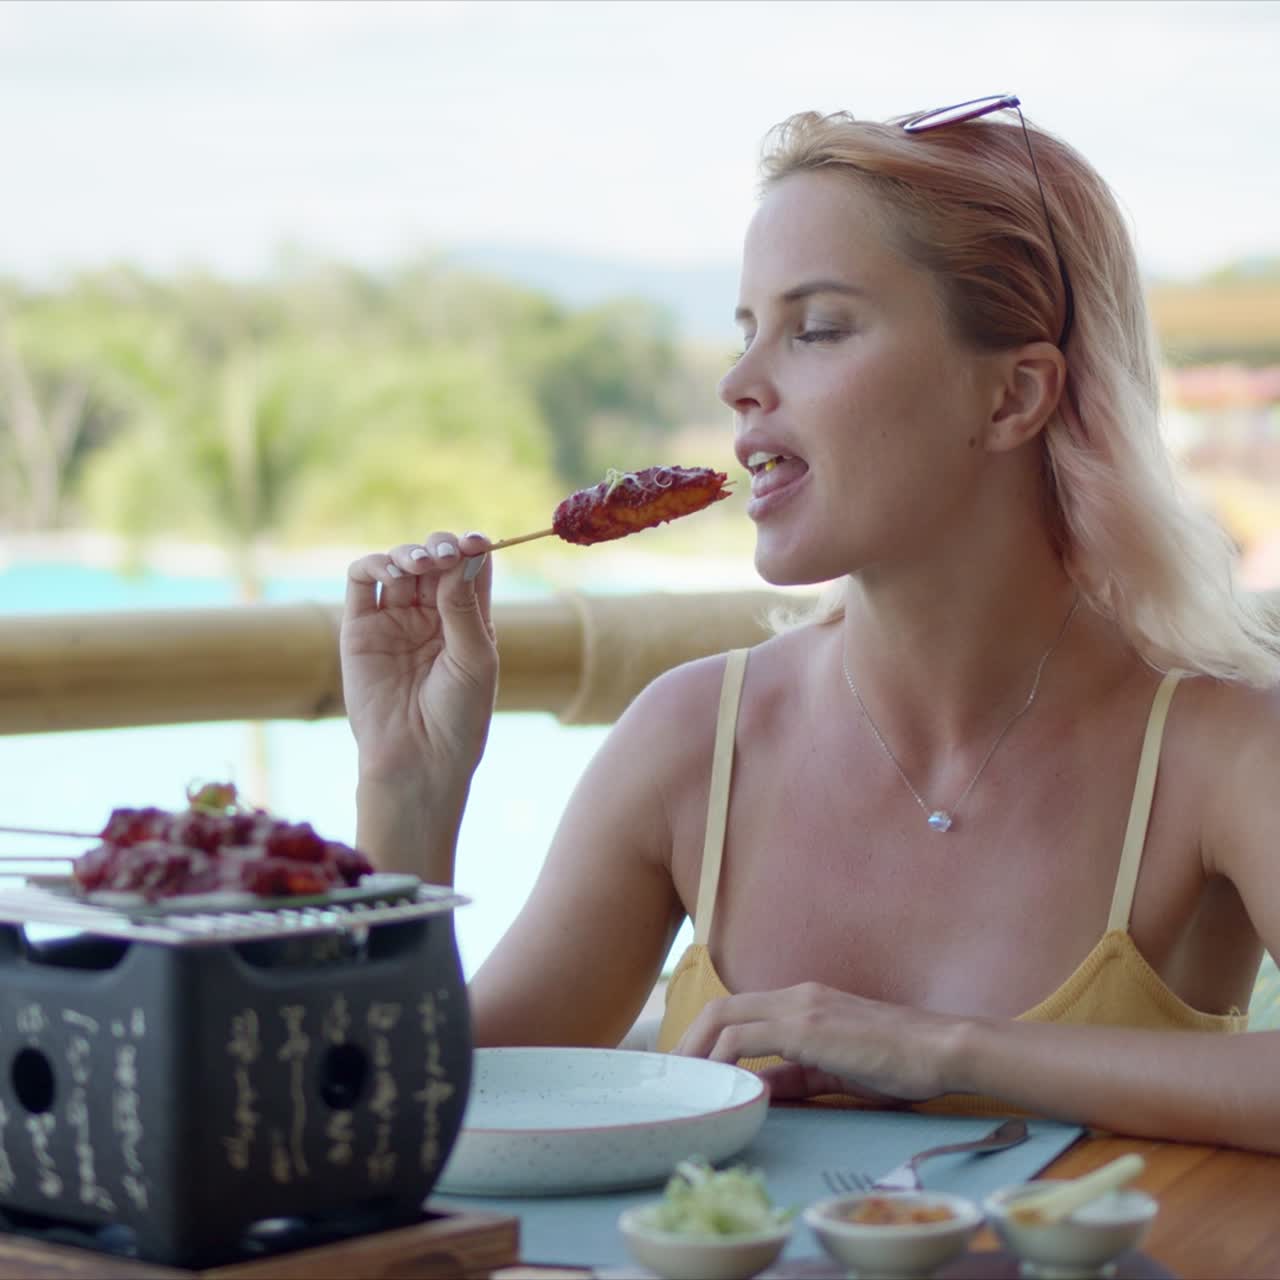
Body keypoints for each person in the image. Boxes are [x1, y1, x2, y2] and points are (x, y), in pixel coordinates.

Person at [340, 95, 1280, 1152]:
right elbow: (397, 1113)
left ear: (1013, 396)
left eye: (816, 328)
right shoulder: (692, 740)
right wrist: (407, 792)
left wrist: (945, 1051)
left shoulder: (1221, 742)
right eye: (746, 333)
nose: (739, 384)